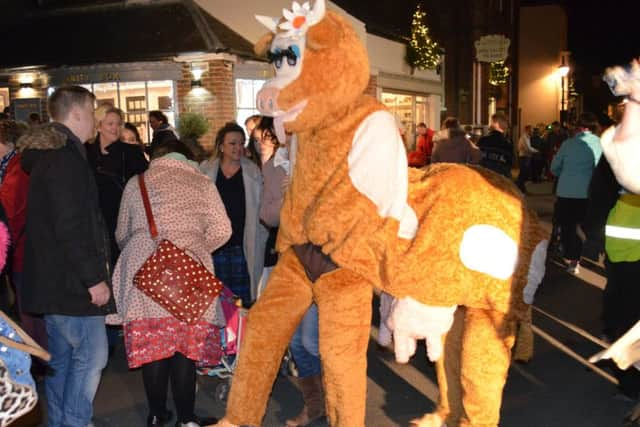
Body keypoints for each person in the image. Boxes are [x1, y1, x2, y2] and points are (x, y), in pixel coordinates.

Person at [107, 139, 231, 427]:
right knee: (185, 347)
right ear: (187, 158)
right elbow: (223, 229)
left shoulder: (136, 183)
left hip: (145, 269)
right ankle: (187, 418)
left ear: (156, 157)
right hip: (189, 268)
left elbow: (122, 232)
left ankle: (156, 415)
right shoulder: (201, 182)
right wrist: (196, 246)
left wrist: (147, 248)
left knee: (154, 346)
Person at [18, 85, 114, 427]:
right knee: (92, 357)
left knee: (66, 359)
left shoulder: (52, 153)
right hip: (72, 285)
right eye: (92, 113)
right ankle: (74, 422)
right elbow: (71, 225)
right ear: (76, 113)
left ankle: (60, 421)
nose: (96, 121)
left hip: (56, 282)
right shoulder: (64, 157)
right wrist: (94, 279)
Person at [201, 122, 268, 307]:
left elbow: (260, 207)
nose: (238, 148)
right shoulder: (206, 171)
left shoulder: (253, 172)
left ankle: (242, 335)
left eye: (241, 143)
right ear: (221, 146)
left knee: (243, 301)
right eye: (232, 143)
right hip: (214, 247)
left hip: (242, 245)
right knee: (215, 301)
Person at [0, 120, 48, 372]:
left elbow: (11, 213)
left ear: (8, 143)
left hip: (21, 252)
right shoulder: (11, 167)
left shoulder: (16, 169)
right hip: (19, 250)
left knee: (28, 312)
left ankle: (38, 363)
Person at [550, 112, 602, 274]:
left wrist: (564, 173)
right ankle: (588, 252)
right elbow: (600, 170)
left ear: (578, 127)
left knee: (567, 226)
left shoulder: (568, 144)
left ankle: (572, 259)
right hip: (587, 193)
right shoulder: (599, 144)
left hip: (565, 192)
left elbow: (554, 167)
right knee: (585, 225)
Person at [477, 113, 514, 178]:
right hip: (499, 180)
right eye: (506, 123)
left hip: (483, 177)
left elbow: (476, 159)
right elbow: (509, 165)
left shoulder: (482, 140)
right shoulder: (507, 144)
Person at [516, 125, 537, 193]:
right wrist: (536, 151)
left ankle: (520, 188)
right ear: (527, 130)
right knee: (523, 174)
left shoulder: (527, 137)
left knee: (523, 174)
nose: (532, 132)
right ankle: (520, 188)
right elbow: (528, 148)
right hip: (524, 157)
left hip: (525, 157)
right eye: (531, 130)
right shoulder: (524, 138)